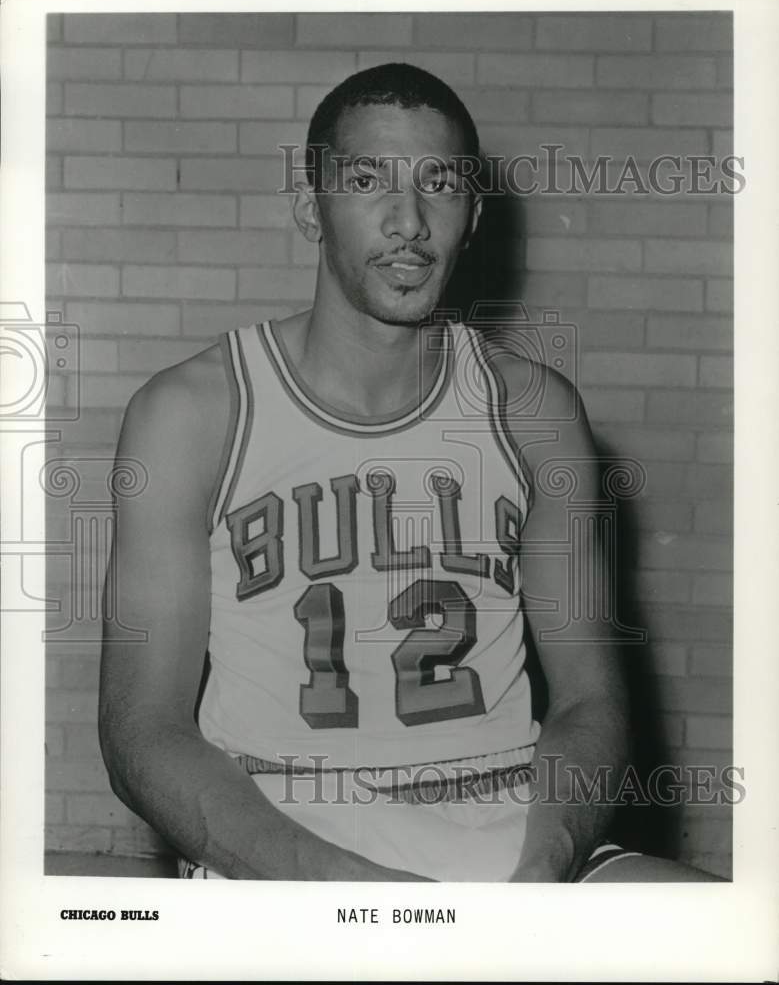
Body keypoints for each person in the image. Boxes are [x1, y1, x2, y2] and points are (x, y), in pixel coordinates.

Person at [99, 63, 720, 882]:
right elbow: (142, 729)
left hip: (512, 827)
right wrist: (352, 895)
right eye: (367, 181)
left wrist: (545, 864)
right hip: (285, 838)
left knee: (736, 936)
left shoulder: (534, 412)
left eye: (439, 184)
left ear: (473, 217)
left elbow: (588, 701)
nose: (408, 221)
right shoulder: (189, 412)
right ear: (308, 206)